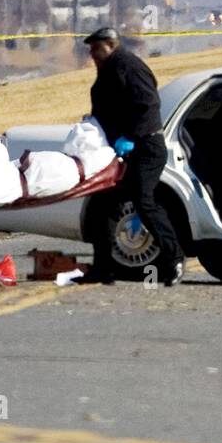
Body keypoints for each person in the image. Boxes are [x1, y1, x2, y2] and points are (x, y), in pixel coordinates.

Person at [81, 27, 184, 285]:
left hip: (145, 147)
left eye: (95, 48)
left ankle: (174, 260)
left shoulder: (128, 66)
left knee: (143, 201)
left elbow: (148, 104)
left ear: (110, 45)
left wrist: (132, 137)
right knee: (102, 207)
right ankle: (103, 269)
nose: (92, 54)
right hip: (121, 150)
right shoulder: (110, 69)